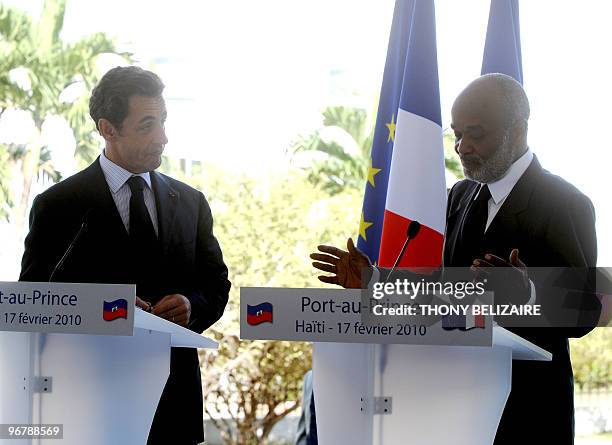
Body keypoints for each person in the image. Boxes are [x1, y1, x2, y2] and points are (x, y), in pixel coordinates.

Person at [311, 73, 599, 444]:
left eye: (475, 134)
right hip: (454, 405)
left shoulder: (566, 203)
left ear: (518, 130)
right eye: (457, 134)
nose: (462, 147)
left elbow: (586, 309)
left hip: (527, 411)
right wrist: (373, 280)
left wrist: (526, 293)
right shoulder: (460, 197)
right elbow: (443, 291)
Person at [20, 66, 231, 445]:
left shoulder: (191, 202)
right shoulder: (58, 206)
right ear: (108, 129)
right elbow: (32, 303)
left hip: (174, 408)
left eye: (163, 121)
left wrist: (190, 305)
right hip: (88, 407)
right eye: (147, 125)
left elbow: (216, 286)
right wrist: (101, 308)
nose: (163, 137)